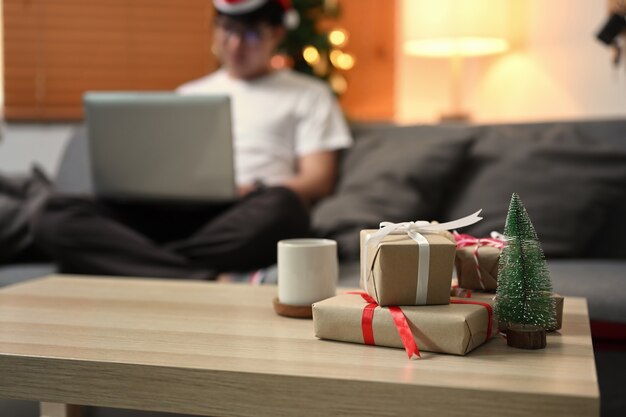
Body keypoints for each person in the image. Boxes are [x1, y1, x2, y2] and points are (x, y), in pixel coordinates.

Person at [32, 0, 352, 280]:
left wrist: (251, 189)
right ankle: (202, 276)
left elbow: (318, 180)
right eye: (227, 30)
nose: (236, 45)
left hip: (246, 212)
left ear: (278, 34)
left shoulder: (310, 95)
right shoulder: (190, 94)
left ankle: (137, 260)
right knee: (55, 215)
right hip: (177, 212)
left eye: (251, 34)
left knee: (285, 207)